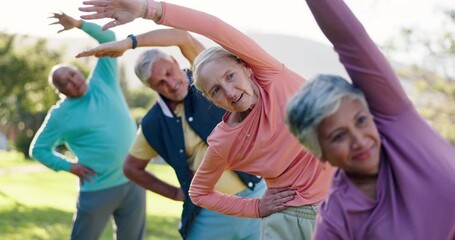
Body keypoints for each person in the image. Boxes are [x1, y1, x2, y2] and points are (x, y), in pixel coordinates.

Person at [79, 1, 335, 239]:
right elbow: (198, 192)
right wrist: (257, 208)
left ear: (245, 67)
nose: (230, 92)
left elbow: (211, 29)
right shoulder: (221, 137)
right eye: (216, 91)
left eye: (231, 77)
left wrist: (145, 12)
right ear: (209, 98)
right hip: (290, 217)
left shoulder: (270, 75)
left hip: (342, 193)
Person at [285, 0, 455, 239]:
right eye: (338, 136)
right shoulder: (336, 220)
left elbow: (349, 39)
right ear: (319, 152)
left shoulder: (397, 123)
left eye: (361, 121)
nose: (359, 140)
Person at [76, 28, 266, 240]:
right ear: (151, 87)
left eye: (168, 73)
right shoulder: (153, 123)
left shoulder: (206, 80)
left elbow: (183, 37)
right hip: (208, 212)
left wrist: (130, 43)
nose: (171, 84)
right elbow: (131, 168)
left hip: (256, 196)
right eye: (160, 83)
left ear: (176, 63)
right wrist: (175, 192)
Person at [29, 13, 145, 240]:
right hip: (98, 188)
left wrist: (79, 24)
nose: (73, 82)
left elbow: (109, 37)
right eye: (65, 83)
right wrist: (70, 167)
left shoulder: (103, 78)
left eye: (72, 75)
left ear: (78, 70)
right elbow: (38, 149)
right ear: (61, 91)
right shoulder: (60, 115)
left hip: (134, 180)